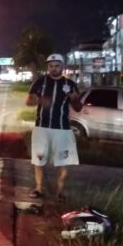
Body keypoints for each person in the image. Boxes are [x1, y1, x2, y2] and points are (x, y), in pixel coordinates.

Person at [25, 53, 83, 202]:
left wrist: (74, 98)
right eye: (51, 66)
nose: (54, 69)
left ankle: (60, 192)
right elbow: (28, 101)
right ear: (48, 67)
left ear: (62, 67)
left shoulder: (70, 85)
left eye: (57, 66)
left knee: (62, 161)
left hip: (62, 129)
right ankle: (38, 188)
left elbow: (78, 108)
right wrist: (40, 101)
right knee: (39, 159)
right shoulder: (40, 82)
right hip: (42, 127)